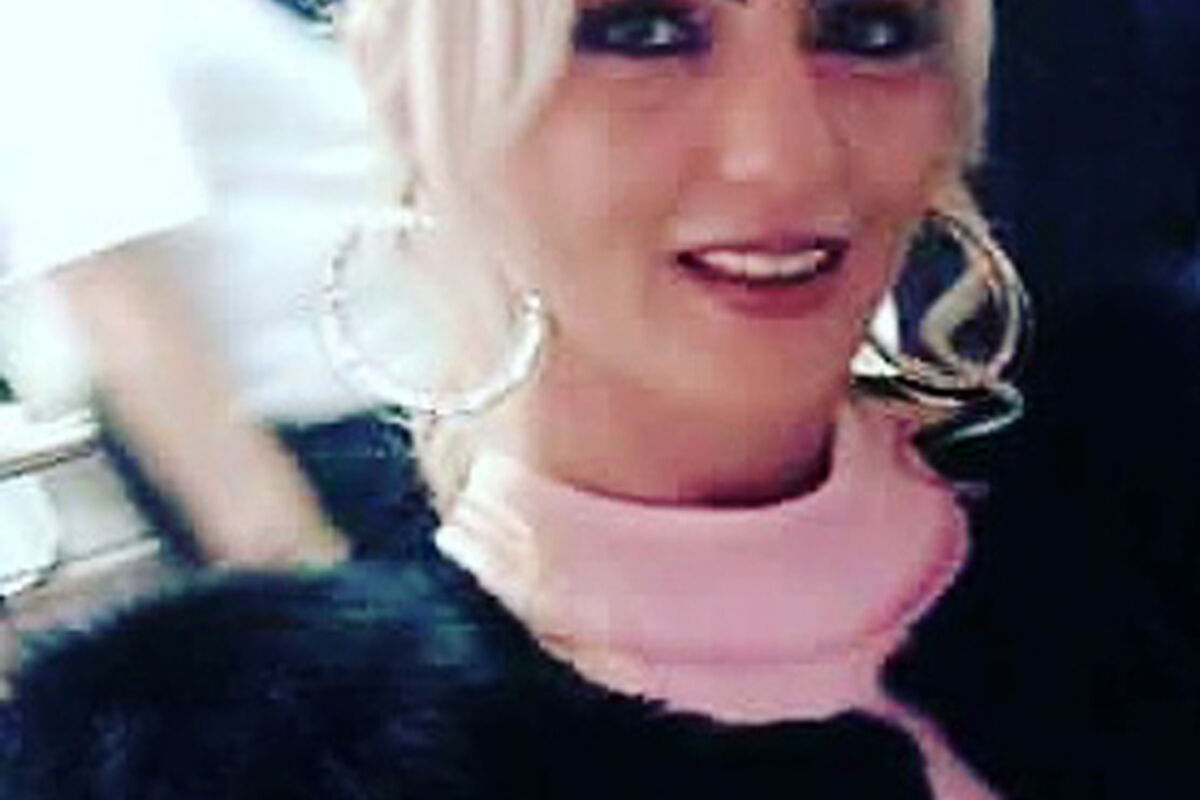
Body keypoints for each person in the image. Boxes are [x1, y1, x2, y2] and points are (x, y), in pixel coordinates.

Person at [4, 1, 1199, 798]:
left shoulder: (1139, 513)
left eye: (870, 28)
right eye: (640, 30)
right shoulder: (278, 760)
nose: (783, 156)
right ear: (431, 102)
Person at [0, 0, 431, 566]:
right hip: (317, 448)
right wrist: (300, 568)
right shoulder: (64, 24)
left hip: (434, 404)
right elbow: (112, 298)